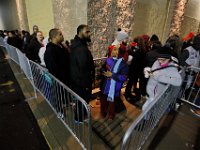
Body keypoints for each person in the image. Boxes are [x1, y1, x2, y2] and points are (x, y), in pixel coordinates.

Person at [142, 46, 182, 111]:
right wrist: (149, 71)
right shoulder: (156, 62)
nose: (160, 61)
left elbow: (178, 81)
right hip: (151, 91)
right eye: (158, 59)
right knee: (147, 110)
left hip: (157, 94)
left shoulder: (171, 68)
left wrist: (159, 77)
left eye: (163, 60)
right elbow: (154, 72)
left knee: (147, 110)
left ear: (169, 59)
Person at [70, 24, 95, 123]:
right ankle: (79, 119)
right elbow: (83, 69)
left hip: (79, 82)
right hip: (82, 83)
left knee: (81, 101)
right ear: (80, 33)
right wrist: (86, 85)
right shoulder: (80, 48)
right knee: (82, 101)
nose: (89, 33)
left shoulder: (79, 45)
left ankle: (80, 116)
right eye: (87, 32)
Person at [101, 44, 128, 120]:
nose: (113, 51)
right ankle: (105, 113)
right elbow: (102, 68)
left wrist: (113, 75)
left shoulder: (124, 65)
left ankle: (111, 114)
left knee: (112, 102)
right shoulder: (108, 60)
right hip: (106, 86)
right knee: (104, 101)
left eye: (116, 50)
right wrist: (104, 72)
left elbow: (123, 77)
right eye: (113, 49)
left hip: (115, 87)